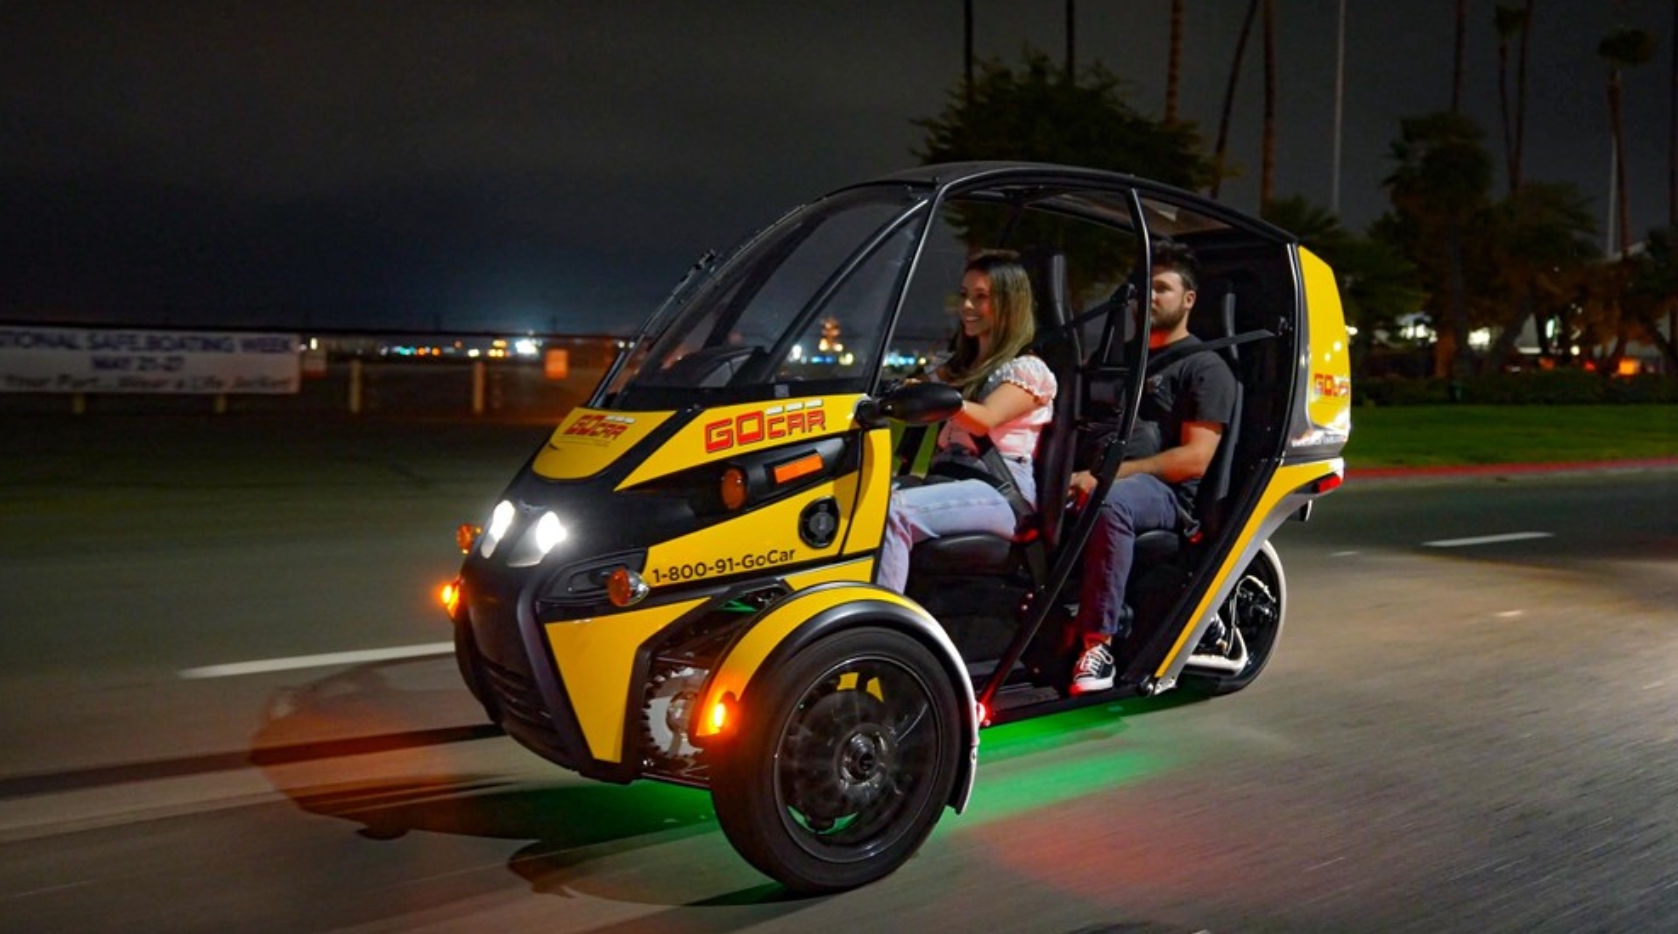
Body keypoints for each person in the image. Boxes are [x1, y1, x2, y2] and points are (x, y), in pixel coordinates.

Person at [1068, 240, 1237, 694]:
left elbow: (1195, 459)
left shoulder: (1204, 367)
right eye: (1143, 288)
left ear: (1189, 299)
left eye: (1161, 288)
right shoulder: (1115, 359)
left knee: (1109, 503)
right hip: (1094, 475)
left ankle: (1099, 645)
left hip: (1163, 495)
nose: (1149, 296)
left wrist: (1106, 478)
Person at [875, 250, 1057, 593]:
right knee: (864, 500)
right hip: (951, 475)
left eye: (981, 297)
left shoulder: (1027, 370)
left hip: (999, 490)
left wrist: (941, 397)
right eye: (964, 295)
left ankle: (879, 620)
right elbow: (917, 386)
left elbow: (985, 420)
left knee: (894, 512)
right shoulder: (960, 367)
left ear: (1008, 304)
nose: (967, 307)